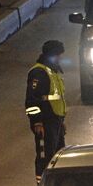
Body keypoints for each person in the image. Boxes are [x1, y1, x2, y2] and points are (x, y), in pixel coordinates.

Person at [25, 40, 68, 177]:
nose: (60, 58)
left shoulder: (52, 71)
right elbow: (32, 100)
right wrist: (37, 122)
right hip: (45, 122)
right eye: (58, 55)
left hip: (55, 121)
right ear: (52, 55)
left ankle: (57, 185)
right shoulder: (39, 73)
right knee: (45, 158)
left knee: (58, 156)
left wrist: (61, 122)